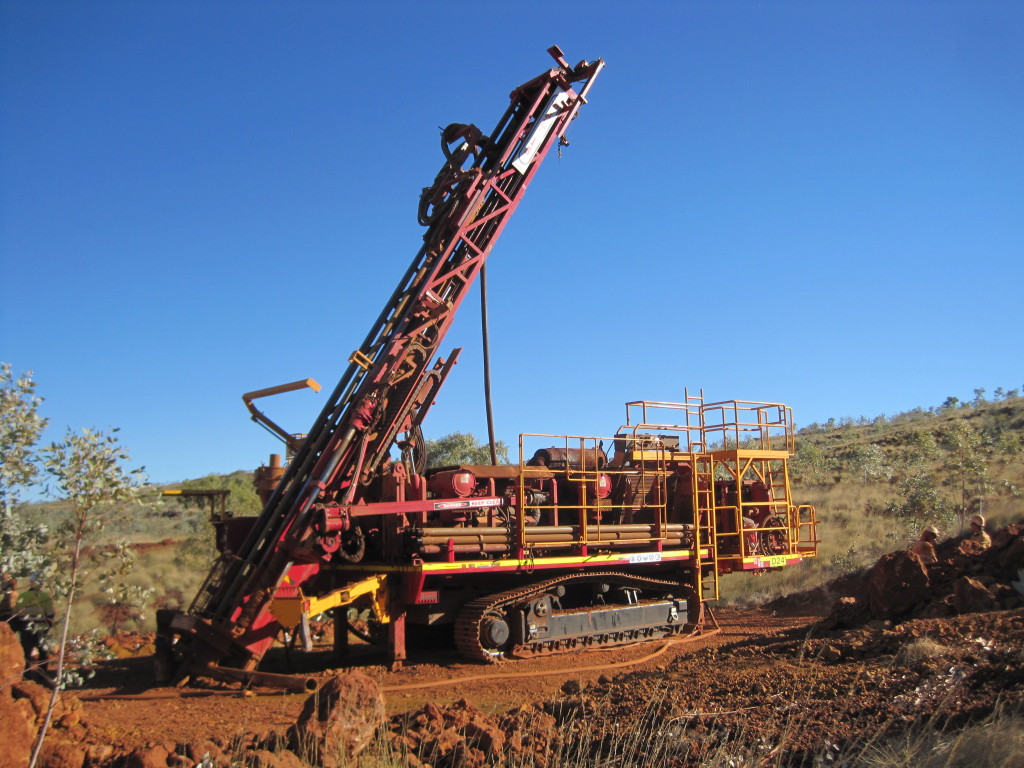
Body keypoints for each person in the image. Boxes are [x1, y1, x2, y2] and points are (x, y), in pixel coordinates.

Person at [14, 575, 54, 675]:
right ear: (41, 584)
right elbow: (50, 614)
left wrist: (19, 627)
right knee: (43, 651)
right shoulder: (45, 597)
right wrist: (48, 626)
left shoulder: (22, 596)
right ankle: (43, 673)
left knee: (26, 652)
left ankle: (26, 675)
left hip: (25, 627)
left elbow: (16, 614)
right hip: (41, 627)